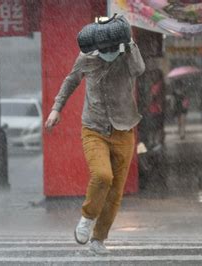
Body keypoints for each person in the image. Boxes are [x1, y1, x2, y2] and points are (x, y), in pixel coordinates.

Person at [44, 30, 145, 254]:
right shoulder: (86, 58)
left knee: (115, 192)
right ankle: (87, 218)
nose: (108, 53)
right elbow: (70, 81)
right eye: (104, 49)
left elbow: (139, 70)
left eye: (112, 48)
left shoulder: (126, 55)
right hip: (94, 128)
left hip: (124, 129)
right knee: (102, 176)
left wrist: (130, 44)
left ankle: (98, 239)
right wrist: (56, 109)